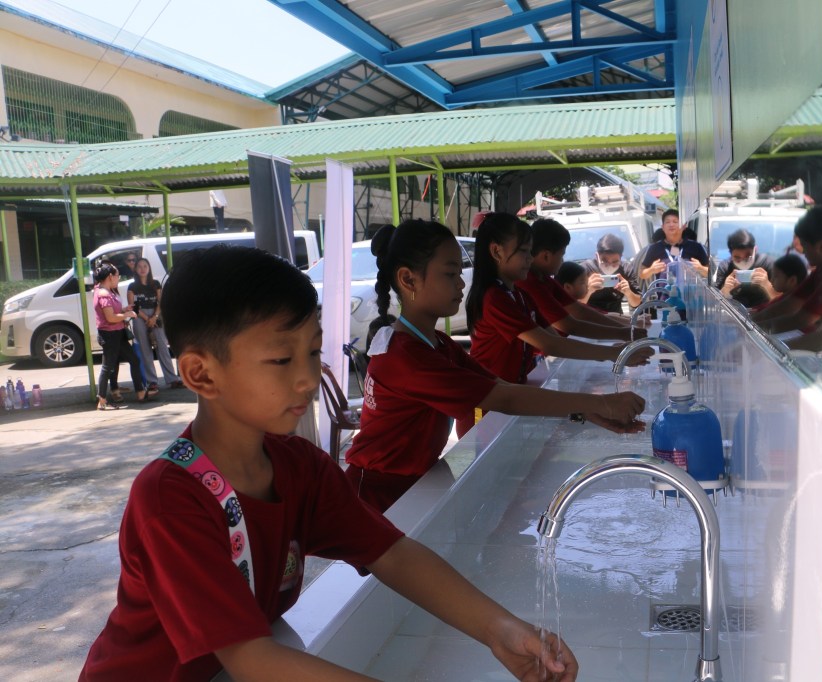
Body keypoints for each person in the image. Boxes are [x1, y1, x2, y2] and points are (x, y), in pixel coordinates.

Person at [80, 245, 580, 682]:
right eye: (281, 359)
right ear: (200, 373)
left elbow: (392, 554)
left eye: (313, 350)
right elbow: (253, 660)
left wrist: (499, 629)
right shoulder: (171, 499)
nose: (306, 377)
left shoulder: (300, 466)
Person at [346, 219, 644, 513]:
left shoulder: (436, 342)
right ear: (409, 280)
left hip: (408, 486)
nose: (462, 283)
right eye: (451, 274)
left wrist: (587, 410)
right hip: (377, 498)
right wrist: (603, 402)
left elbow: (499, 385)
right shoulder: (408, 355)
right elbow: (505, 397)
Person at [467, 213, 649, 387]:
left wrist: (617, 342)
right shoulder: (494, 297)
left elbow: (557, 336)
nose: (530, 259)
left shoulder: (519, 294)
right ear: (496, 252)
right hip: (485, 402)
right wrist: (614, 350)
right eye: (524, 251)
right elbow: (552, 342)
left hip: (512, 389)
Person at [515, 218, 639, 340]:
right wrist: (623, 333)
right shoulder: (531, 283)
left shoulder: (545, 280)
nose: (563, 261)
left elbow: (580, 310)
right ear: (546, 256)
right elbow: (570, 325)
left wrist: (628, 327)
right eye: (562, 255)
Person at [753, 206, 822, 336]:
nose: (803, 252)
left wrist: (754, 328)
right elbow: (790, 301)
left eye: (804, 245)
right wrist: (751, 318)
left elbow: (803, 319)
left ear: (821, 246)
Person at [92, 261, 150, 410]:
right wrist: (127, 314)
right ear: (110, 277)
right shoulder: (104, 293)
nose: (119, 278)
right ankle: (102, 400)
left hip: (117, 333)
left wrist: (124, 310)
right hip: (110, 335)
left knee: (133, 360)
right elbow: (110, 318)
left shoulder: (106, 291)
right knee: (108, 367)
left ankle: (140, 392)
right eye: (117, 275)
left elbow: (112, 314)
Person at [127, 257, 184, 390]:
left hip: (156, 314)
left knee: (162, 346)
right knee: (145, 349)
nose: (142, 269)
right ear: (135, 269)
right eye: (139, 266)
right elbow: (132, 306)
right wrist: (147, 318)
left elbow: (160, 302)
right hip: (139, 316)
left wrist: (155, 317)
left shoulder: (156, 284)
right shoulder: (132, 286)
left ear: (149, 268)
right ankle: (152, 381)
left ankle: (172, 379)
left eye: (145, 266)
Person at [637, 209, 709, 282]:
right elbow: (641, 274)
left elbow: (710, 273)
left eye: (675, 222)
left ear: (684, 226)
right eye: (667, 222)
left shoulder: (695, 247)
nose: (671, 225)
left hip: (690, 293)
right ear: (663, 227)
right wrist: (651, 270)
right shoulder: (654, 248)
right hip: (663, 292)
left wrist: (701, 268)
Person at [581, 233, 642, 313]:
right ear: (597, 256)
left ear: (621, 257)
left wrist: (628, 293)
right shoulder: (585, 269)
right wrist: (589, 291)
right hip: (590, 319)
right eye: (604, 261)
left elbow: (636, 303)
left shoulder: (626, 269)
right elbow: (575, 306)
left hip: (616, 319)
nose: (610, 266)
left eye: (615, 262)